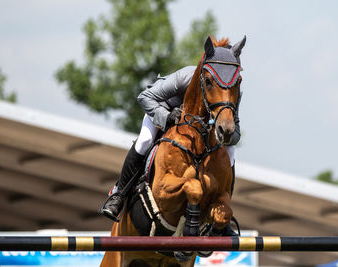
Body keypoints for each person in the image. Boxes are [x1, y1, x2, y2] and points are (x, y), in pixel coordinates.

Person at [99, 36, 244, 235]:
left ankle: (222, 218)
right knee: (145, 141)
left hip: (204, 123)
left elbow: (235, 130)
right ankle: (118, 194)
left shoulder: (230, 90)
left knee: (230, 152)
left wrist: (227, 136)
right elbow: (145, 97)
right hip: (162, 110)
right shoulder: (185, 77)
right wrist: (167, 117)